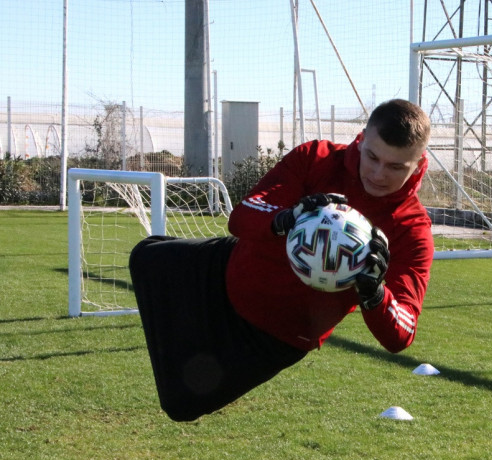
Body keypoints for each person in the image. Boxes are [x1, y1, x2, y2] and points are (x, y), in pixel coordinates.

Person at [128, 98, 434, 422]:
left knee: (180, 405)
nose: (378, 172)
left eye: (396, 166)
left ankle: (190, 344)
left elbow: (401, 333)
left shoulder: (411, 230)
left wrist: (374, 294)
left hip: (274, 336)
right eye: (372, 156)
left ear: (418, 164)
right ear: (362, 138)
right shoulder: (317, 158)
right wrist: (285, 218)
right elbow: (242, 216)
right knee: (147, 258)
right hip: (225, 268)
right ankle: (189, 331)